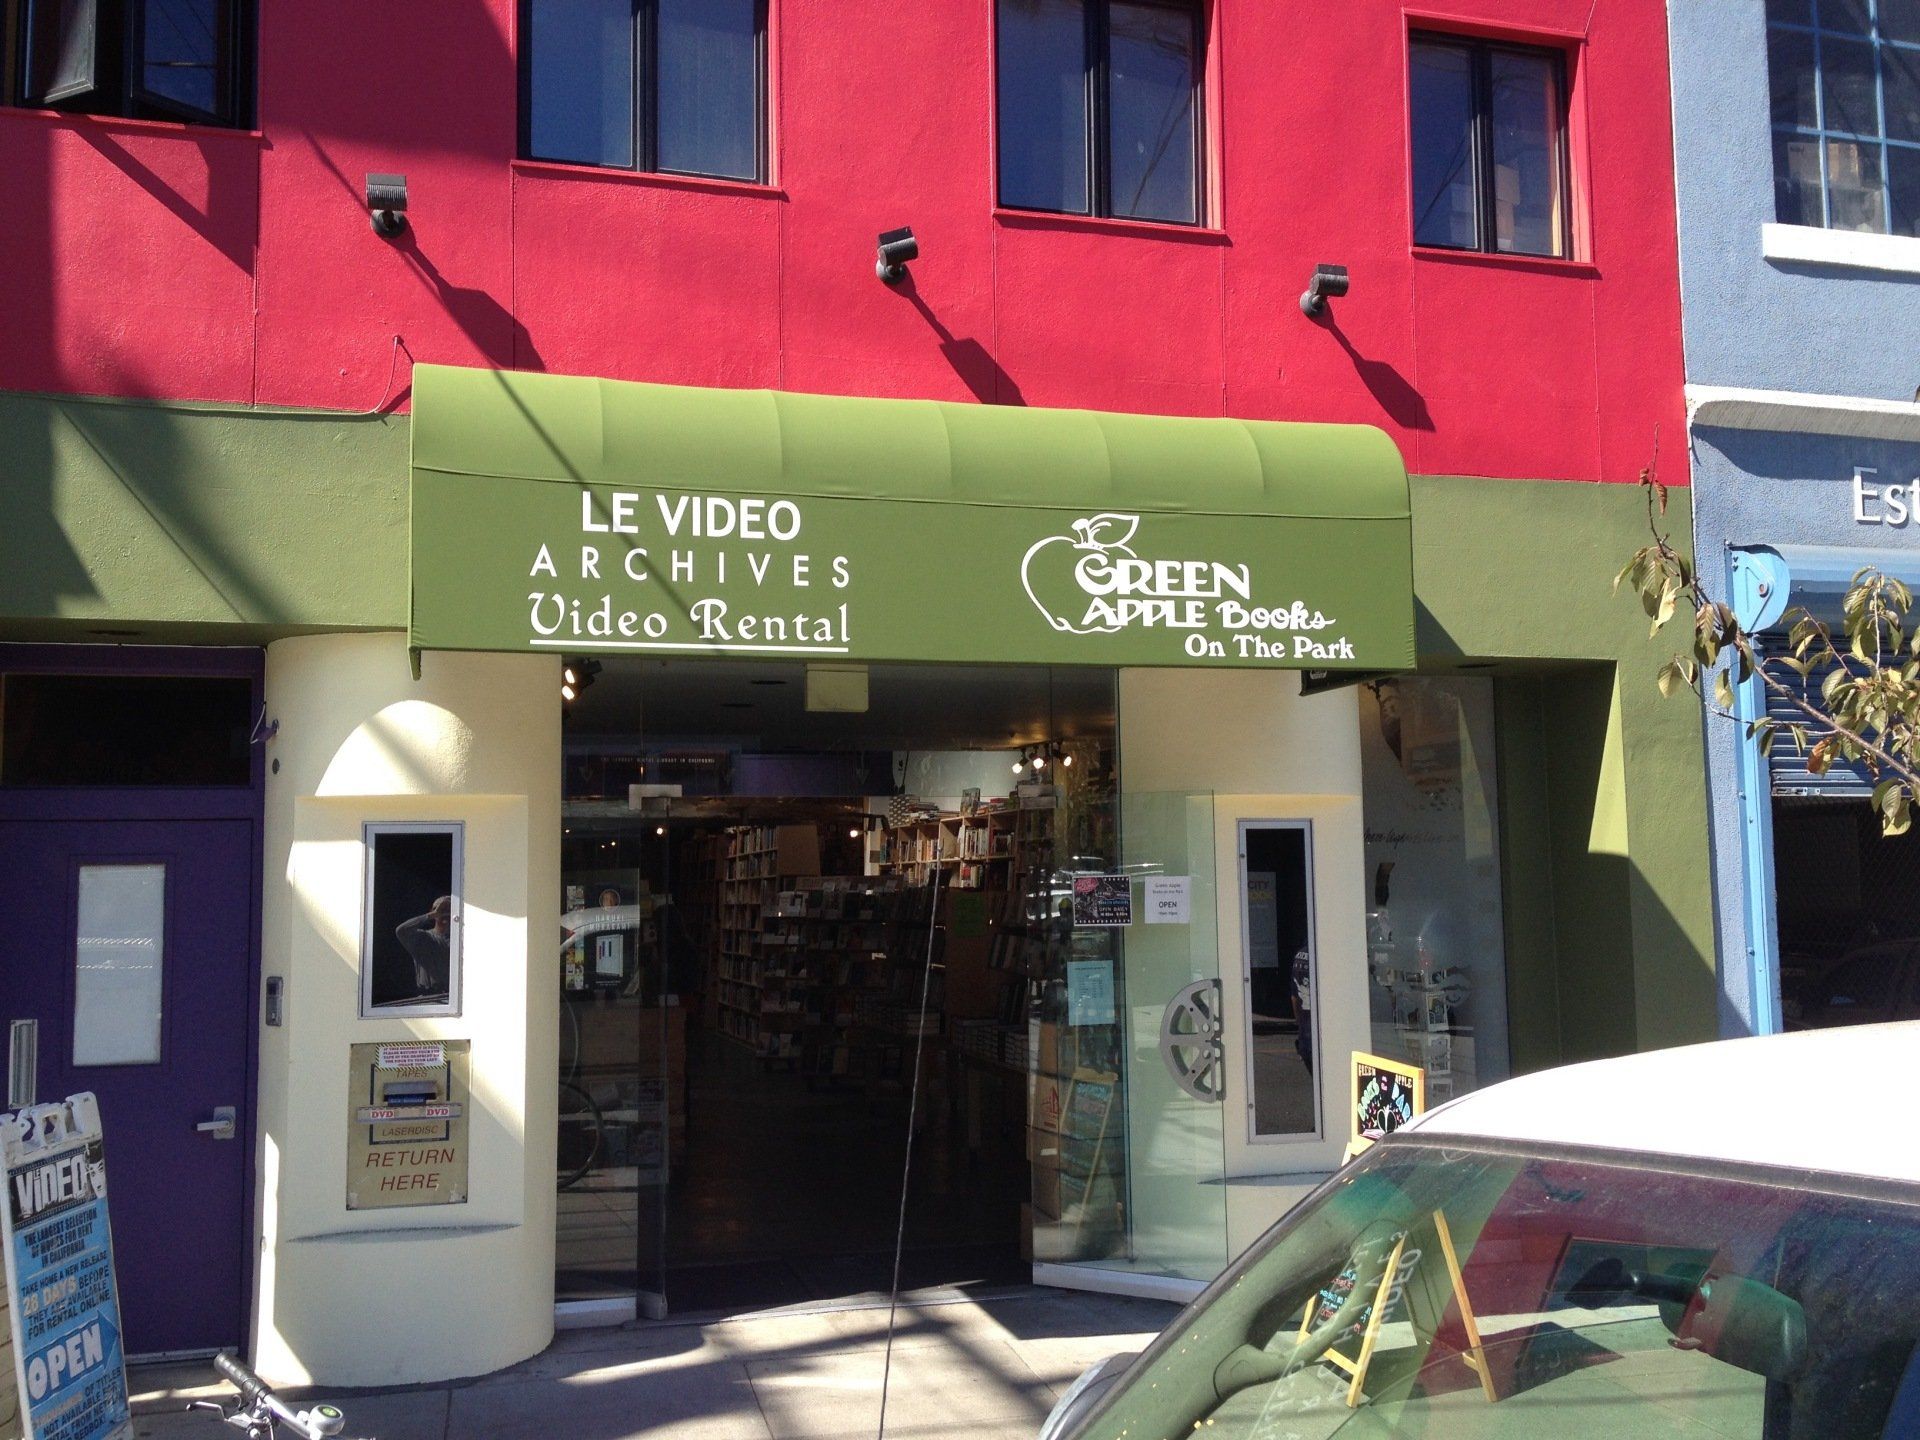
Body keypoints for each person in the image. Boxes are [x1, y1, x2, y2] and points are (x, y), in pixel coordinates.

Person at [395, 896, 453, 1000]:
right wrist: (432, 915)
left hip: (452, 998)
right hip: (428, 999)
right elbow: (401, 931)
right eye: (440, 909)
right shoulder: (422, 938)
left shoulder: (459, 942)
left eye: (449, 910)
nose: (445, 913)